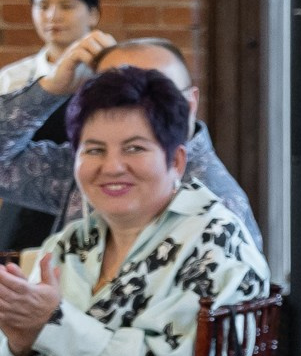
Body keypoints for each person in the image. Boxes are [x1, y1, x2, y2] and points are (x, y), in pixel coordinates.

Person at [0, 67, 272, 356]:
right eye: (94, 150)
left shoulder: (216, 244)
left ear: (175, 160)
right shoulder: (69, 245)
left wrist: (55, 324)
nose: (112, 167)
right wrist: (20, 347)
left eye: (134, 148)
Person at [0, 35, 260, 257]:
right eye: (112, 97)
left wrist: (48, 313)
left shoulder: (219, 207)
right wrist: (51, 88)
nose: (113, 167)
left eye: (156, 97)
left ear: (190, 104)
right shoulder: (84, 166)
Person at [0, 0, 109, 252]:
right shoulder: (12, 78)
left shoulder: (112, 74)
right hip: (22, 212)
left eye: (66, 6)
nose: (52, 16)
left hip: (95, 208)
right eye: (43, 6)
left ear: (93, 14)